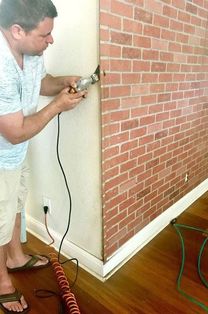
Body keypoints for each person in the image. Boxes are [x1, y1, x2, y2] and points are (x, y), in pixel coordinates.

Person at [0, 0, 87, 313]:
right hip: (2, 152)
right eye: (45, 35)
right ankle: (1, 283)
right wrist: (58, 107)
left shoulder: (32, 50)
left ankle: (16, 257)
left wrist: (61, 82)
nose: (51, 40)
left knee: (15, 204)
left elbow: (41, 81)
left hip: (16, 151)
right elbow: (15, 131)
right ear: (17, 31)